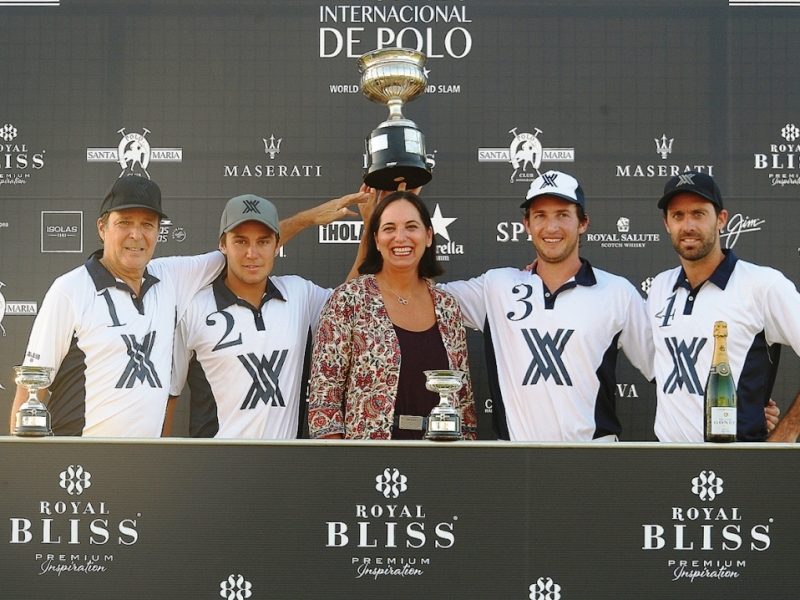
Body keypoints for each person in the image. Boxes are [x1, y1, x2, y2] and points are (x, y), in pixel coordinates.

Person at [9, 175, 368, 437]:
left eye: (147, 224)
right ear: (103, 228)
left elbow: (248, 254)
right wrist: (30, 470)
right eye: (125, 224)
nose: (136, 235)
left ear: (158, 231)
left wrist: (307, 219)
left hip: (144, 472)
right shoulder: (69, 289)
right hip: (81, 463)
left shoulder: (172, 278)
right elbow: (30, 388)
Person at [437, 171, 655, 441]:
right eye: (540, 216)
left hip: (594, 461)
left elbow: (666, 370)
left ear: (583, 223)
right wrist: (379, 217)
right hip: (517, 464)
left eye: (563, 215)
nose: (551, 228)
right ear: (527, 224)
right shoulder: (495, 287)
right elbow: (412, 296)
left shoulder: (617, 292)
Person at [170, 191, 368, 439]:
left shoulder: (299, 293)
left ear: (277, 246)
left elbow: (350, 301)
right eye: (240, 241)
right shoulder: (193, 309)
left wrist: (370, 230)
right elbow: (169, 394)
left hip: (283, 469)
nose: (252, 253)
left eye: (263, 242)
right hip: (216, 470)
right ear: (223, 245)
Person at [307, 190, 477, 440]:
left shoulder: (447, 307)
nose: (400, 237)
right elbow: (325, 399)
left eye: (411, 226)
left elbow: (464, 401)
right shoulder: (348, 299)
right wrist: (340, 468)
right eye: (389, 228)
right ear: (376, 239)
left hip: (441, 463)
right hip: (369, 463)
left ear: (428, 236)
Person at [647, 171, 800, 442]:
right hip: (668, 464)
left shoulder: (763, 285)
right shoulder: (660, 286)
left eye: (698, 213)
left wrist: (786, 434)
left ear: (721, 219)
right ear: (667, 224)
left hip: (737, 465)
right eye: (678, 216)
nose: (688, 225)